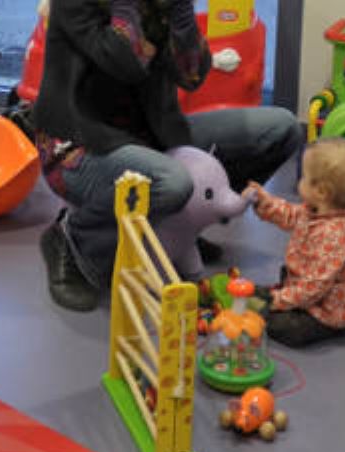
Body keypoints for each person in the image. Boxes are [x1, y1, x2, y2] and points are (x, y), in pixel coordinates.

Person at [30, 0, 302, 311]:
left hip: (153, 139)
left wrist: (182, 15)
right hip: (77, 147)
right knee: (171, 182)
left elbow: (192, 75)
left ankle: (180, 227)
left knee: (281, 129)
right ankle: (72, 239)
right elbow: (123, 63)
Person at [243, 137, 345, 347]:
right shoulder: (319, 209)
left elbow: (314, 287)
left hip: (329, 309)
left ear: (322, 192)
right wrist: (266, 202)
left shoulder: (333, 235)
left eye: (305, 177)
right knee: (285, 277)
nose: (300, 180)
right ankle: (283, 296)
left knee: (283, 328)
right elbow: (291, 215)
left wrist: (277, 301)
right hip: (311, 287)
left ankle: (292, 306)